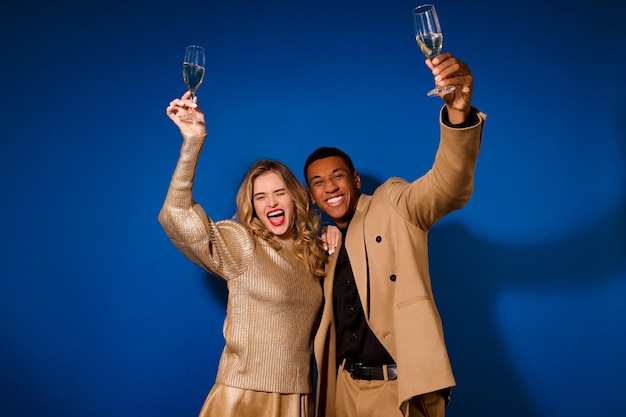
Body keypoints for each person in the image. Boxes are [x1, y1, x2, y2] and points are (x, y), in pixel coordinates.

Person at [303, 52, 486, 417]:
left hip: (395, 391)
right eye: (318, 183)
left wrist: (458, 114)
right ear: (312, 197)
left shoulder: (393, 203)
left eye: (338, 176)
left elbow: (445, 187)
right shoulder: (325, 245)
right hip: (343, 390)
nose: (330, 187)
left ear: (355, 180)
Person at [159, 92, 337, 417]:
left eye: (279, 193)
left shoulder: (312, 252)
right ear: (252, 206)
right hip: (244, 396)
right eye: (260, 197)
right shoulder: (242, 242)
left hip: (298, 396)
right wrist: (192, 143)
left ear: (296, 198)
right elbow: (176, 215)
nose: (270, 204)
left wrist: (338, 229)